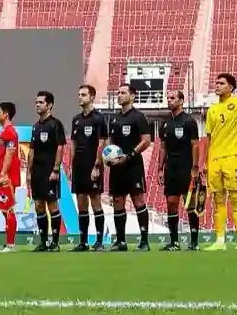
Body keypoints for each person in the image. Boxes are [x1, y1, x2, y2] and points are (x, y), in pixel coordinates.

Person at [204, 73, 237, 250]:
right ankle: (220, 240)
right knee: (218, 199)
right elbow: (208, 137)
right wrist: (204, 162)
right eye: (216, 83)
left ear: (231, 87)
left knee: (236, 197)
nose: (218, 85)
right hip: (215, 158)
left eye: (222, 83)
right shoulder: (212, 110)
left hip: (233, 157)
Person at [107, 84, 153, 251]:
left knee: (138, 200)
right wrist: (108, 156)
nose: (119, 95)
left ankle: (144, 241)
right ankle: (121, 241)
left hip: (133, 165)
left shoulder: (138, 117)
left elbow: (146, 140)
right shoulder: (115, 118)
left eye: (123, 93)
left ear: (132, 96)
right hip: (117, 167)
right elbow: (111, 141)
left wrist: (129, 155)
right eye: (118, 92)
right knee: (117, 201)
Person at [159, 89, 201, 251]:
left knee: (190, 203)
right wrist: (160, 168)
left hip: (186, 166)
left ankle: (194, 241)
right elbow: (163, 147)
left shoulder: (189, 121)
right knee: (171, 203)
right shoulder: (165, 122)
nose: (169, 100)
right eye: (168, 98)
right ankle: (174, 242)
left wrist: (195, 167)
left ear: (181, 101)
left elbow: (195, 145)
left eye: (172, 98)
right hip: (171, 167)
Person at [27, 91, 67, 252]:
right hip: (37, 171)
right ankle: (43, 242)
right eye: (36, 102)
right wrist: (29, 172)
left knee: (52, 205)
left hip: (50, 170)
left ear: (49, 105)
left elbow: (60, 147)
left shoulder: (55, 124)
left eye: (41, 102)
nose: (37, 105)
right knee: (38, 205)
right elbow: (32, 150)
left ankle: (55, 242)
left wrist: (56, 169)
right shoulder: (35, 127)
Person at [70, 84, 108, 251]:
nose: (80, 97)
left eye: (83, 94)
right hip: (78, 166)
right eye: (79, 94)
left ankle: (99, 241)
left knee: (95, 202)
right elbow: (73, 143)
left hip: (93, 166)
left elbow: (102, 143)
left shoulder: (98, 118)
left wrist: (97, 165)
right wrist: (71, 165)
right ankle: (83, 241)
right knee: (81, 204)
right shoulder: (76, 119)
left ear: (91, 97)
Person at [0, 102, 21, 253]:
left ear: (6, 114)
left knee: (8, 208)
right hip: (2, 174)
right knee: (5, 209)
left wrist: (3, 174)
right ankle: (9, 243)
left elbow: (10, 153)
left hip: (7, 176)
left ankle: (10, 244)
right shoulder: (3, 133)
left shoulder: (10, 132)